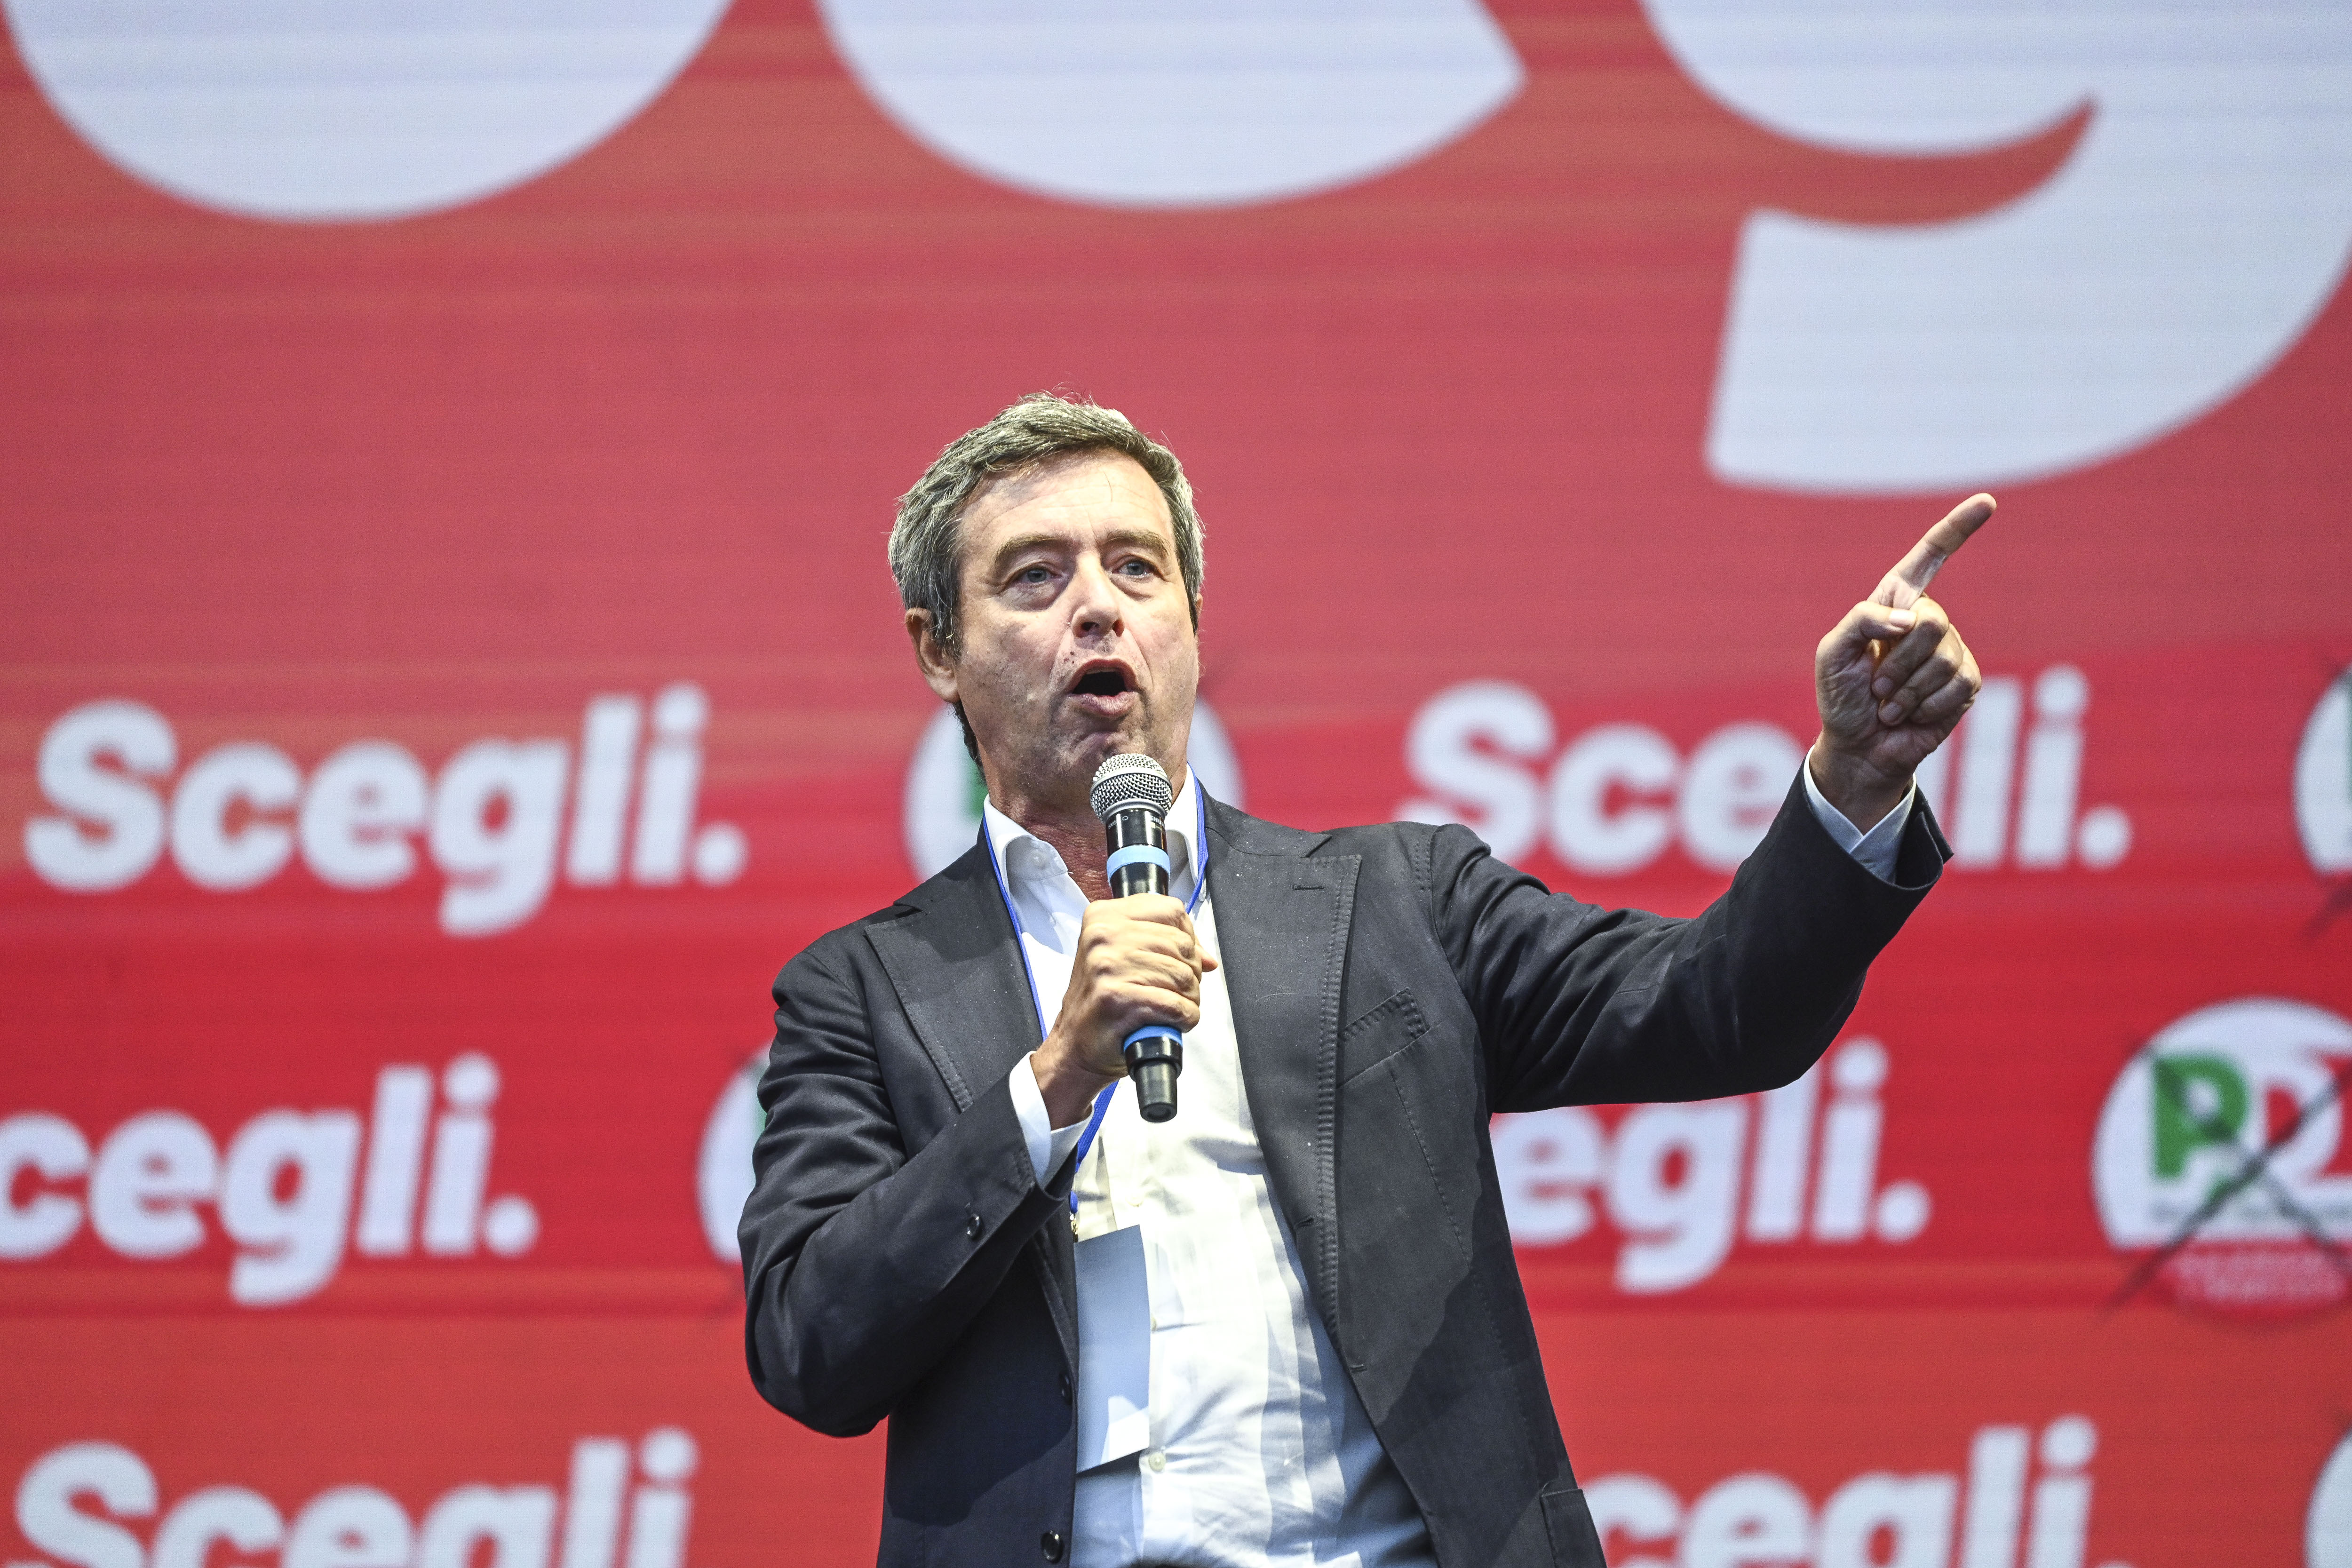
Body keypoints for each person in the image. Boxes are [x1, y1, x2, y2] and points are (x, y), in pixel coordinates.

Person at [740, 393, 1986, 1568]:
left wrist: (1856, 780)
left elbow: (1722, 1010)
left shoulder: (1397, 903)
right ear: (940, 650)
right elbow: (809, 1344)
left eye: (1137, 569)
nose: (1100, 609)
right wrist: (1052, 1087)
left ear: (1192, 619)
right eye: (1035, 577)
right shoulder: (866, 990)